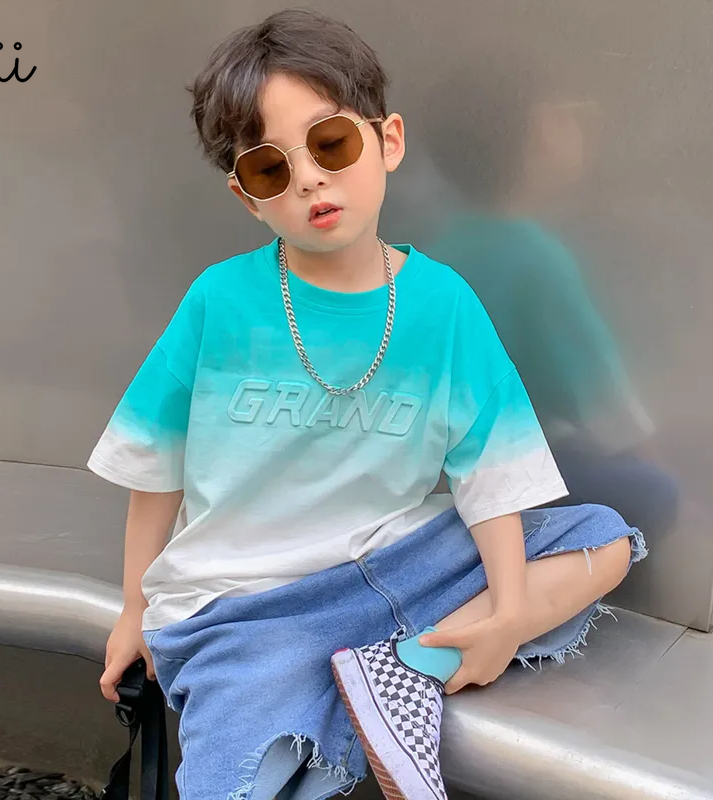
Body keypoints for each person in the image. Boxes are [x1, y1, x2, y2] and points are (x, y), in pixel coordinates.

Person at [88, 10, 645, 800]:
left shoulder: (444, 303)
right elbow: (156, 465)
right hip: (244, 607)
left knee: (603, 540)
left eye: (331, 144)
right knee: (235, 779)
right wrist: (132, 610)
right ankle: (384, 685)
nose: (309, 179)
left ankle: (409, 668)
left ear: (387, 142)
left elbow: (491, 475)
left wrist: (510, 615)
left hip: (398, 568)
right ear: (247, 197)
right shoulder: (219, 300)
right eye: (271, 168)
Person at [420, 43, 679, 540]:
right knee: (657, 492)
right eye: (567, 115)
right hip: (515, 468)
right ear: (538, 135)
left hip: (456, 466)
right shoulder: (535, 256)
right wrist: (659, 466)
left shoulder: (445, 247)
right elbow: (603, 399)